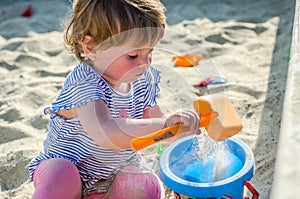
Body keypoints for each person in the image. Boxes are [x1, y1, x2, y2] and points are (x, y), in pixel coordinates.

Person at [29, 0, 200, 198]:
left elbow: (154, 121)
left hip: (113, 179)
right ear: (91, 48)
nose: (144, 63)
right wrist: (163, 124)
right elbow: (105, 133)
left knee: (146, 184)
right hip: (69, 176)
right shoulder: (84, 82)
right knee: (61, 172)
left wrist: (177, 130)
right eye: (133, 55)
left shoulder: (143, 79)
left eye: (150, 52)